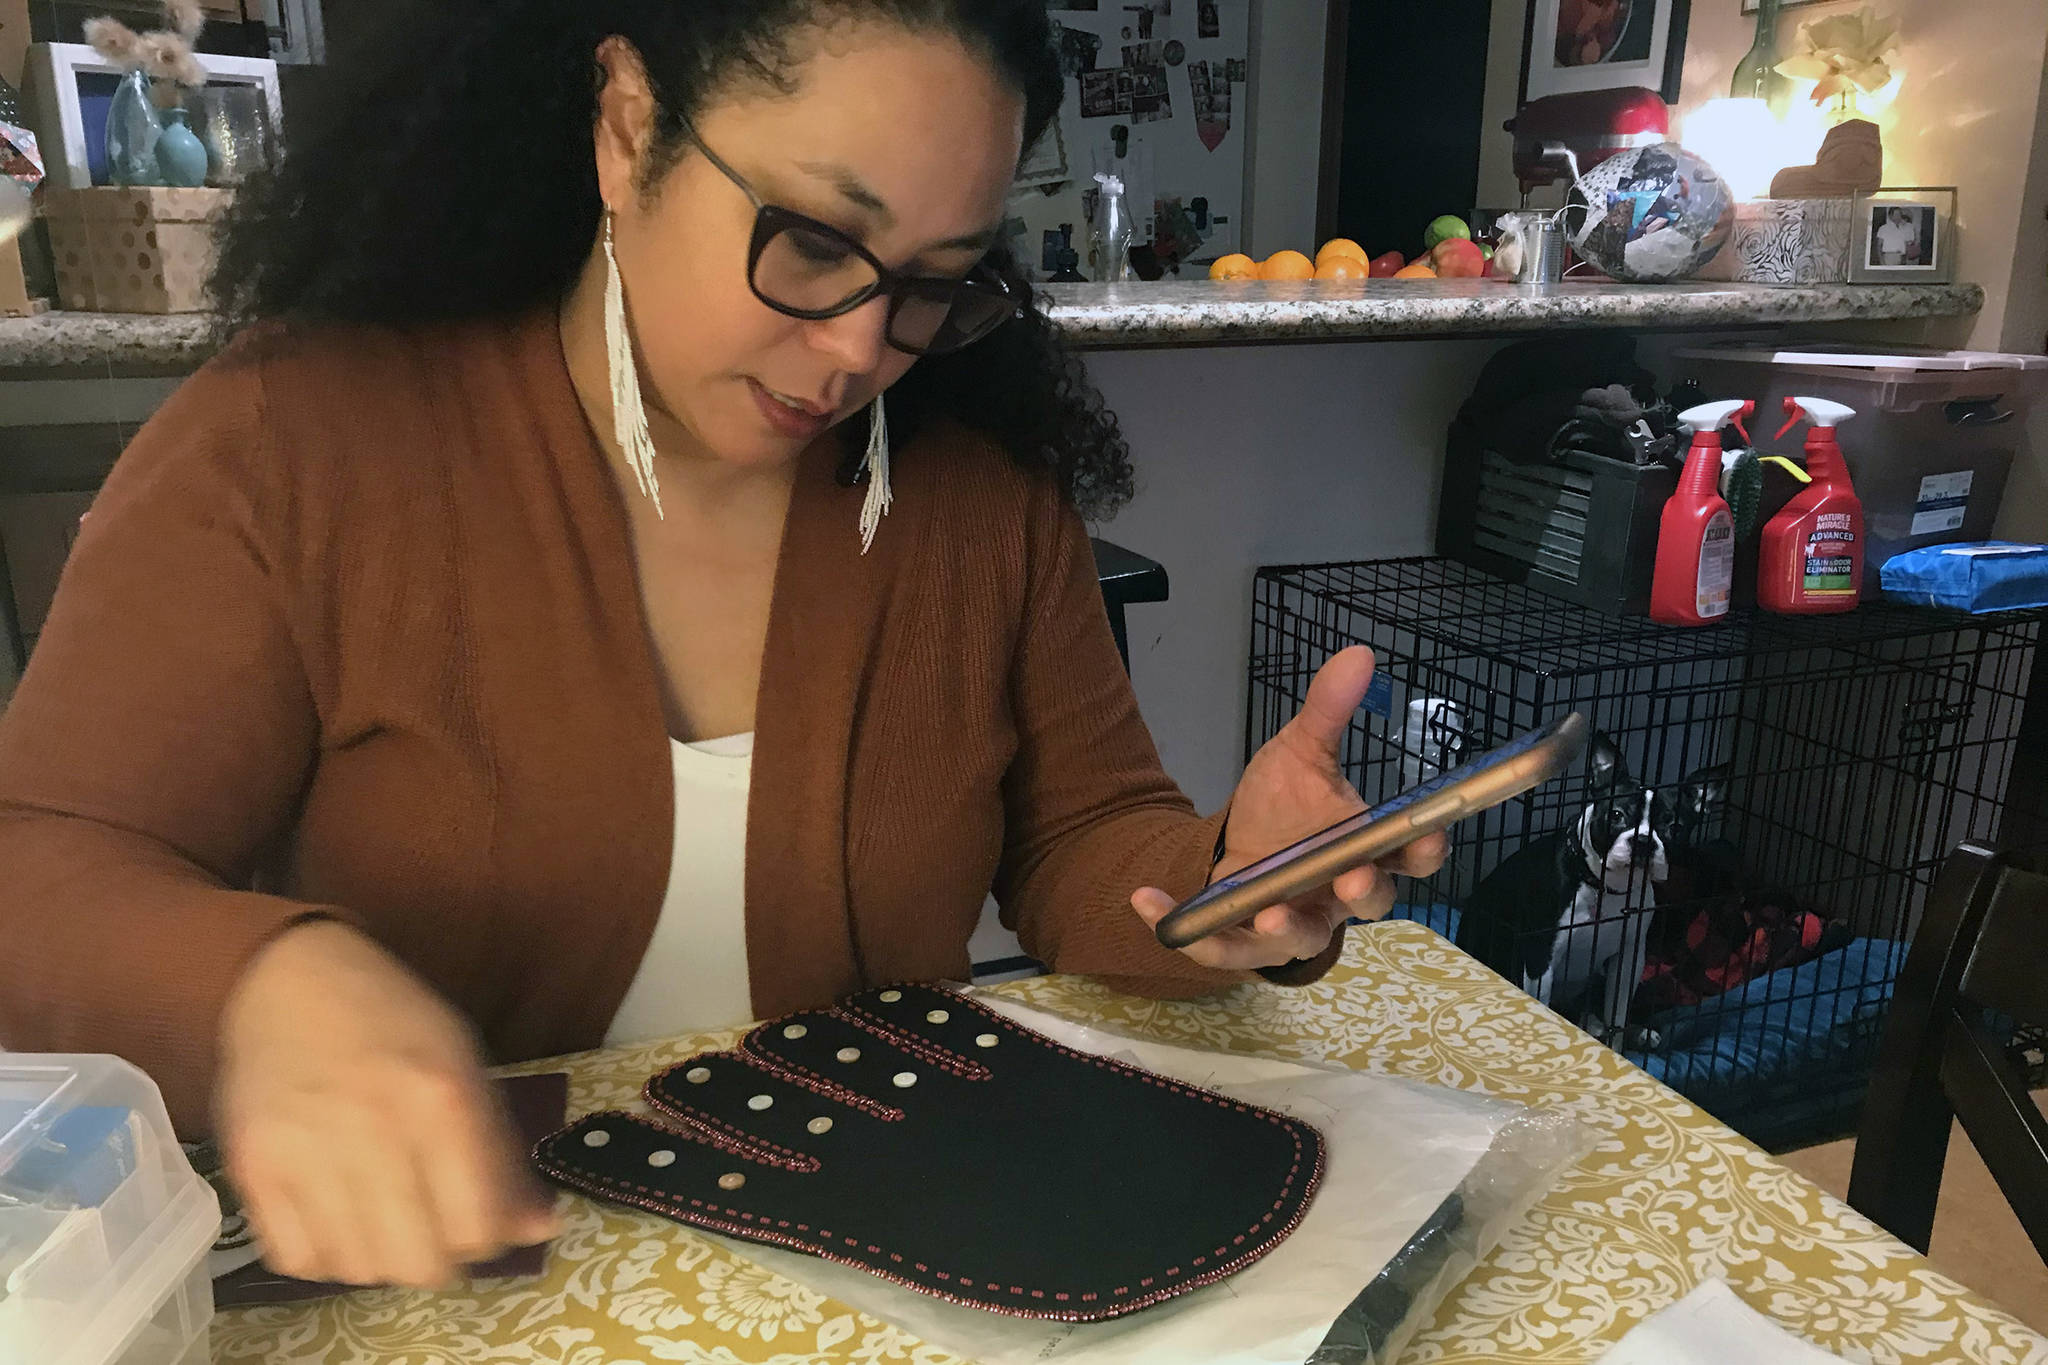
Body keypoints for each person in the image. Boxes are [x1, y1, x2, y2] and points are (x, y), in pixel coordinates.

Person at [0, 0, 1443, 1293]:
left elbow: (1084, 833)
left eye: (938, 279)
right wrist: (266, 984)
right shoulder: (299, 441)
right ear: (628, 130)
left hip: (893, 1269)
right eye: (815, 242)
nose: (859, 351)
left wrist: (1228, 886)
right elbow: (39, 870)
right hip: (452, 1297)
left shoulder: (977, 492)